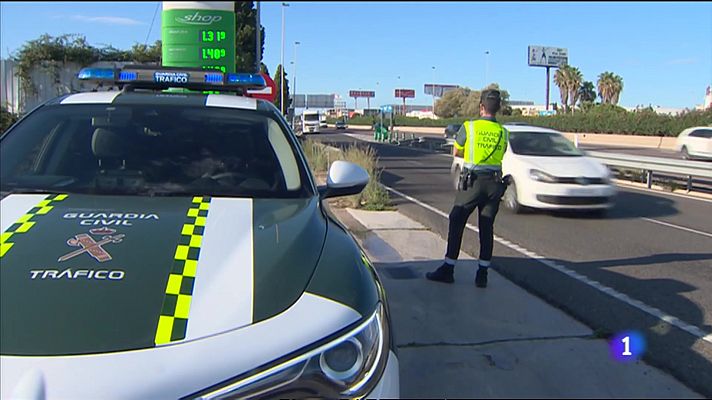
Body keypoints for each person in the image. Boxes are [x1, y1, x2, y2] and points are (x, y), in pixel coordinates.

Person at [426, 89, 509, 288]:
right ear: (497, 108)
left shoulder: (470, 127)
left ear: (481, 107)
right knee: (486, 227)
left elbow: (457, 150)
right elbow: (503, 152)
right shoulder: (503, 132)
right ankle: (482, 274)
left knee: (457, 220)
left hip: (473, 182)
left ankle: (448, 268)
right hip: (494, 184)